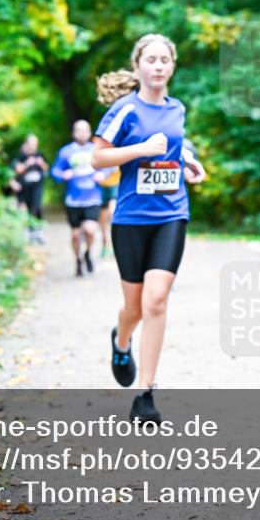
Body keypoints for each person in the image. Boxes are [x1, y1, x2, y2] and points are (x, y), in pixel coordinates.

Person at [91, 33, 206, 424]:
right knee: (135, 306)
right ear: (138, 65)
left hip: (171, 213)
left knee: (156, 301)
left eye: (164, 60)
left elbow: (177, 144)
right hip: (130, 219)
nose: (157, 66)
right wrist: (139, 150)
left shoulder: (178, 109)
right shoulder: (126, 109)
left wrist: (191, 162)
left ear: (172, 66)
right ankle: (121, 339)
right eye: (150, 59)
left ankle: (146, 393)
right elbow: (98, 158)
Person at [51, 120, 105, 277]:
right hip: (73, 200)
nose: (82, 133)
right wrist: (62, 175)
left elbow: (109, 167)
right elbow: (55, 171)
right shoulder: (66, 152)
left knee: (90, 230)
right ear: (74, 133)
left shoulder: (95, 149)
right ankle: (78, 261)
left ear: (89, 132)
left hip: (93, 198)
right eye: (79, 130)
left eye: (85, 130)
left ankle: (88, 253)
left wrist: (103, 175)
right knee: (75, 234)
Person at [11, 134, 49, 245]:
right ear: (26, 144)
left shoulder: (40, 155)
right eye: (30, 143)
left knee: (36, 207)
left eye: (34, 143)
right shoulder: (21, 156)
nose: (32, 146)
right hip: (24, 188)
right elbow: (17, 170)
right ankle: (27, 232)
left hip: (37, 187)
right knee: (24, 209)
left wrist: (41, 163)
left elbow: (46, 169)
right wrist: (28, 163)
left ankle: (38, 232)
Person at [97, 165, 120, 258]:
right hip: (101, 186)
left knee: (112, 212)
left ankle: (115, 245)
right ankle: (105, 243)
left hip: (115, 184)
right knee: (103, 218)